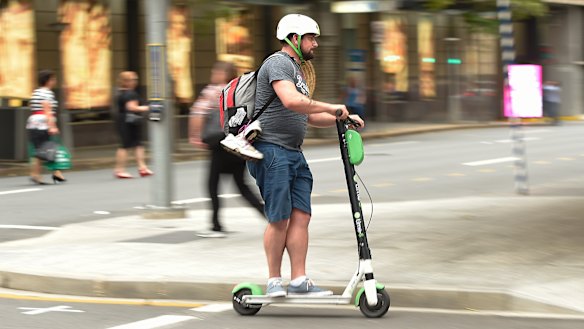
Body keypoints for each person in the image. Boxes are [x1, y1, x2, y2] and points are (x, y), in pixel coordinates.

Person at [242, 14, 364, 296]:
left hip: (293, 153)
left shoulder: (298, 70)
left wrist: (340, 119)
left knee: (301, 216)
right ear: (294, 39)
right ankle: (274, 280)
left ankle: (299, 280)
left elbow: (307, 116)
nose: (316, 44)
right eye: (311, 37)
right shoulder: (278, 63)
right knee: (279, 218)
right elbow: (291, 100)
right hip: (271, 150)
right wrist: (333, 106)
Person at [189, 61, 265, 238]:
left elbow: (198, 113)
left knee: (212, 184)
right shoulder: (238, 90)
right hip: (238, 143)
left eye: (216, 71)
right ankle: (268, 215)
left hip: (219, 143)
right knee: (241, 185)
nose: (213, 73)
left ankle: (216, 225)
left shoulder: (213, 91)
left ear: (223, 73)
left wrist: (195, 135)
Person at [26, 70, 66, 185]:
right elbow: (47, 109)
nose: (54, 81)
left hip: (33, 124)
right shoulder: (47, 93)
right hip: (43, 125)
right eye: (53, 79)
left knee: (42, 149)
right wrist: (52, 126)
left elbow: (32, 106)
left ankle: (53, 173)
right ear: (48, 80)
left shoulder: (36, 92)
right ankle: (39, 174)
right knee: (47, 149)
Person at [113, 71, 153, 179]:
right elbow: (132, 107)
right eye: (133, 80)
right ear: (126, 82)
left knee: (137, 144)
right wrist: (149, 108)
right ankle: (120, 170)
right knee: (125, 146)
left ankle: (142, 167)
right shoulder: (130, 93)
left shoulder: (120, 92)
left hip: (125, 121)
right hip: (129, 121)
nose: (135, 82)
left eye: (136, 79)